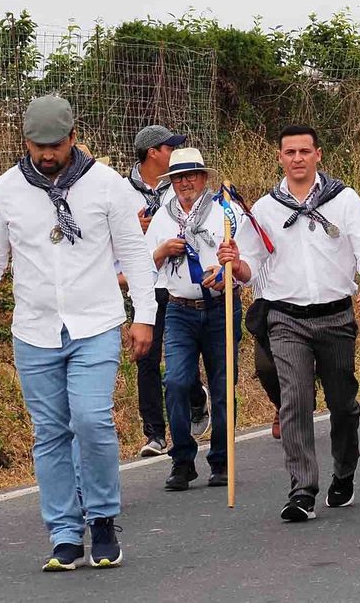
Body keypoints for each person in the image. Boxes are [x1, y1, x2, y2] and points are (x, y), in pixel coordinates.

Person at [0, 95, 156, 570]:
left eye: (55, 144)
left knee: (91, 421)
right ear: (24, 141)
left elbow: (133, 252)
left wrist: (144, 314)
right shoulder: (6, 190)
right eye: (37, 145)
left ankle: (103, 518)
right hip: (34, 329)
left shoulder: (106, 185)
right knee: (49, 433)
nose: (47, 154)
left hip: (96, 323)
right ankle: (65, 534)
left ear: (72, 136)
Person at [250, 125, 360, 523]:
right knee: (296, 402)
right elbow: (248, 265)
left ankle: (344, 471)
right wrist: (231, 262)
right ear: (280, 158)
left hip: (336, 315)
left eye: (304, 151)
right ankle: (302, 489)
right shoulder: (264, 209)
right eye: (289, 152)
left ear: (318, 155)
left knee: (342, 403)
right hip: (286, 318)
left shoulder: (342, 199)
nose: (297, 159)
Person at [145, 148, 257, 491]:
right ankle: (182, 461)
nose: (185, 182)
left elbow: (249, 263)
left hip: (220, 307)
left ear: (204, 178)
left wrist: (230, 273)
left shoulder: (227, 211)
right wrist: (163, 251)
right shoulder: (162, 217)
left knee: (224, 386)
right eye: (179, 177)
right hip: (179, 309)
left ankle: (222, 460)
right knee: (176, 382)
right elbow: (144, 267)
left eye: (192, 175)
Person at [126, 123, 208, 457]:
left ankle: (197, 400)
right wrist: (135, 226)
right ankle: (155, 434)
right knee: (145, 355)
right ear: (152, 153)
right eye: (169, 147)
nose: (174, 153)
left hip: (177, 283)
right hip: (144, 280)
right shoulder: (120, 190)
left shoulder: (182, 186)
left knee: (179, 360)